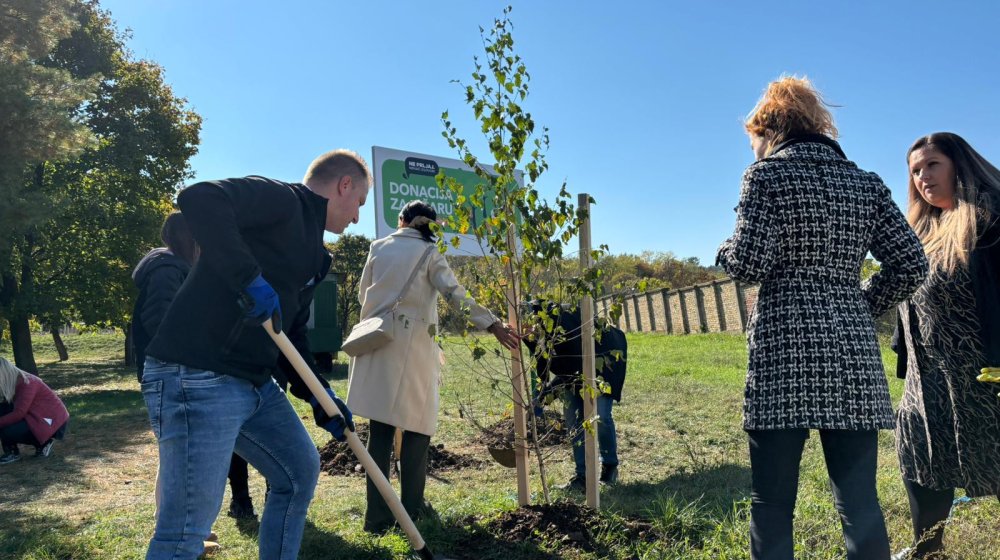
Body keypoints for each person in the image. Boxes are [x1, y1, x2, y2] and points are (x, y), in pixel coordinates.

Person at [715, 76, 928, 560]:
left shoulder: (765, 177)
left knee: (771, 502)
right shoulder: (866, 184)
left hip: (782, 353)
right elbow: (912, 264)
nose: (754, 151)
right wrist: (861, 304)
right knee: (860, 502)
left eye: (754, 141)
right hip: (851, 352)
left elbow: (748, 263)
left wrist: (723, 251)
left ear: (768, 129)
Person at [140, 149, 369, 560]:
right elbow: (199, 197)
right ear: (344, 184)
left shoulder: (315, 255)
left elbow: (291, 336)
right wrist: (248, 278)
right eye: (360, 205)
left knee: (298, 472)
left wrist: (321, 397)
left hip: (252, 383)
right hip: (196, 372)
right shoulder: (283, 200)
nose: (356, 218)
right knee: (184, 531)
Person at [346, 200, 519, 534]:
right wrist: (492, 324)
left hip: (376, 343)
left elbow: (360, 297)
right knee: (417, 430)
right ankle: (411, 511)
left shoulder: (377, 247)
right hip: (413, 351)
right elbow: (455, 294)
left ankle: (376, 519)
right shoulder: (429, 253)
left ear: (401, 220)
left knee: (379, 434)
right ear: (429, 225)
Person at [891, 132, 1000, 560]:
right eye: (915, 170)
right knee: (921, 458)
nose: (922, 177)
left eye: (931, 164)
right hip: (927, 377)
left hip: (982, 375)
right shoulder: (921, 230)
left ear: (959, 164)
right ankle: (927, 549)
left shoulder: (989, 220)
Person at [521, 300, 627, 489]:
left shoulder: (564, 326)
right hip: (572, 371)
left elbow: (571, 366)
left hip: (604, 361)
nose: (525, 330)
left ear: (537, 319)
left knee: (600, 416)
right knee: (573, 420)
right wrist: (540, 398)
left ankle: (609, 466)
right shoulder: (535, 334)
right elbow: (548, 364)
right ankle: (583, 476)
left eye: (527, 324)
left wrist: (546, 396)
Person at [0, 357, 69, 465]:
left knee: (6, 429)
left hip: (52, 421)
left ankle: (43, 443)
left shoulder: (28, 383)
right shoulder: (15, 382)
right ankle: (11, 451)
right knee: (3, 411)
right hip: (35, 416)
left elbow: (19, 413)